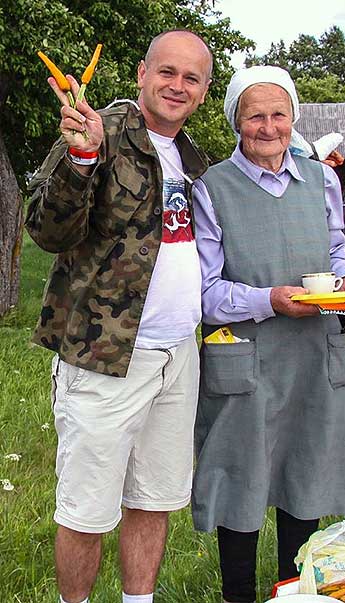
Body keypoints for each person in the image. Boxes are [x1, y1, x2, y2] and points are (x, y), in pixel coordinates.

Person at [25, 30, 212, 603]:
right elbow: (47, 229)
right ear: (140, 72)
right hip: (106, 355)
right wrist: (80, 160)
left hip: (178, 354)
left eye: (191, 78)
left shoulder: (189, 154)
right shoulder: (98, 131)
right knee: (86, 508)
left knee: (153, 500)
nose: (177, 86)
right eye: (167, 72)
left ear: (204, 92)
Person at [190, 65, 345, 603]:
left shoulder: (322, 180)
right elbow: (206, 292)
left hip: (315, 349)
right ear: (235, 122)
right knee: (241, 479)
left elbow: (335, 248)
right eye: (254, 116)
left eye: (279, 114)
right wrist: (268, 300)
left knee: (305, 473)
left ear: (294, 117)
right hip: (246, 354)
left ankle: (296, 594)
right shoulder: (211, 188)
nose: (269, 127)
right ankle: (238, 595)